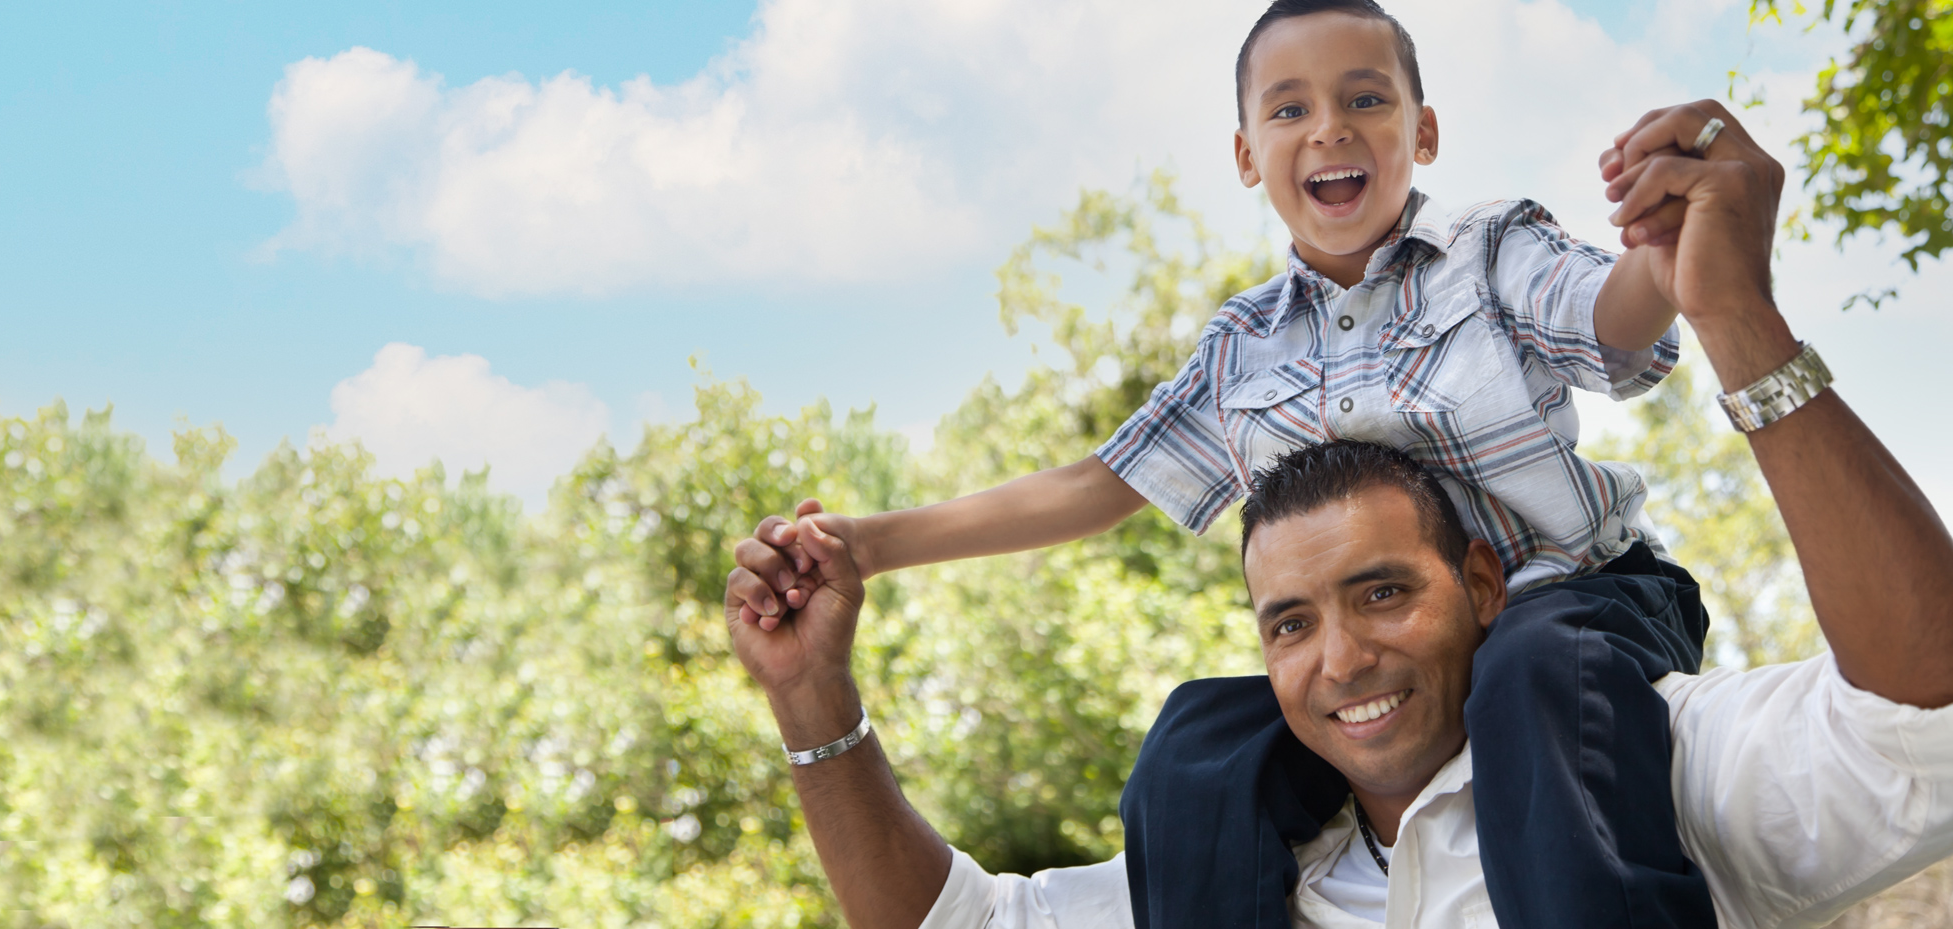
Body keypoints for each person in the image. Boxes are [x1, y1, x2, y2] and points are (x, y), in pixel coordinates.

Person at [721, 99, 1953, 926]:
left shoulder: (1641, 754)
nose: (1342, 651)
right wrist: (845, 598)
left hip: (1576, 624)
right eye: (1289, 619)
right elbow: (1096, 487)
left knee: (1529, 673)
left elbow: (1922, 728)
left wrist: (1713, 291)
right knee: (1190, 742)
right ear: (1248, 155)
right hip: (1464, 679)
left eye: (1380, 590)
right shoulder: (1244, 348)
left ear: (1419, 131)